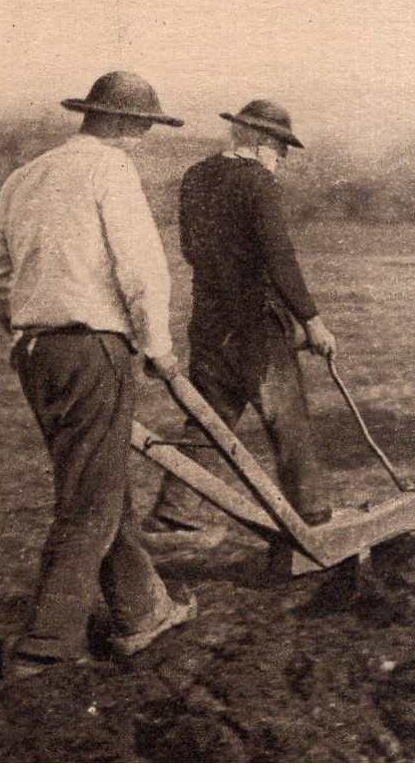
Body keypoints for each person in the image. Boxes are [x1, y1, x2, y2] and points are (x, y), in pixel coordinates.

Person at [0, 71, 197, 680]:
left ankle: (142, 612)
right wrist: (159, 348)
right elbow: (143, 267)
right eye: (145, 126)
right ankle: (42, 649)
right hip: (93, 348)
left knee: (93, 483)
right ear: (122, 123)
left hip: (34, 350)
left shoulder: (25, 177)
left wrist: (26, 325)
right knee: (89, 502)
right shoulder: (111, 171)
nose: (145, 137)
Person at [141, 99, 337, 550]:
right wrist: (313, 322)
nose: (282, 156)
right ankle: (313, 516)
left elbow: (193, 249)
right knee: (287, 416)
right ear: (260, 140)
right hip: (256, 325)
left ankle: (175, 514)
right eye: (280, 145)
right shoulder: (258, 182)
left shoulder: (196, 176)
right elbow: (278, 256)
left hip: (209, 319)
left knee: (209, 419)